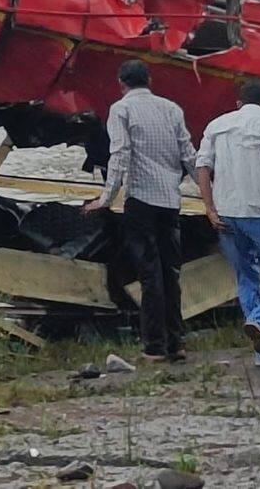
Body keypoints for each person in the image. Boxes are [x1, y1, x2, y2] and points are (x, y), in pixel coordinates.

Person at [83, 59, 197, 362]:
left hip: (141, 201)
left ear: (121, 83)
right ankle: (177, 343)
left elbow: (119, 154)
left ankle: (154, 347)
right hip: (170, 201)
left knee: (150, 274)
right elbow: (189, 155)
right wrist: (212, 198)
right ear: (149, 79)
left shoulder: (121, 110)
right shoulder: (172, 109)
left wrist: (105, 199)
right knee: (171, 273)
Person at [195, 80, 260, 364]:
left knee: (247, 278)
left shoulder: (216, 125)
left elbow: (202, 168)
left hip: (225, 215)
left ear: (238, 102)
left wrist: (210, 209)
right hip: (259, 212)